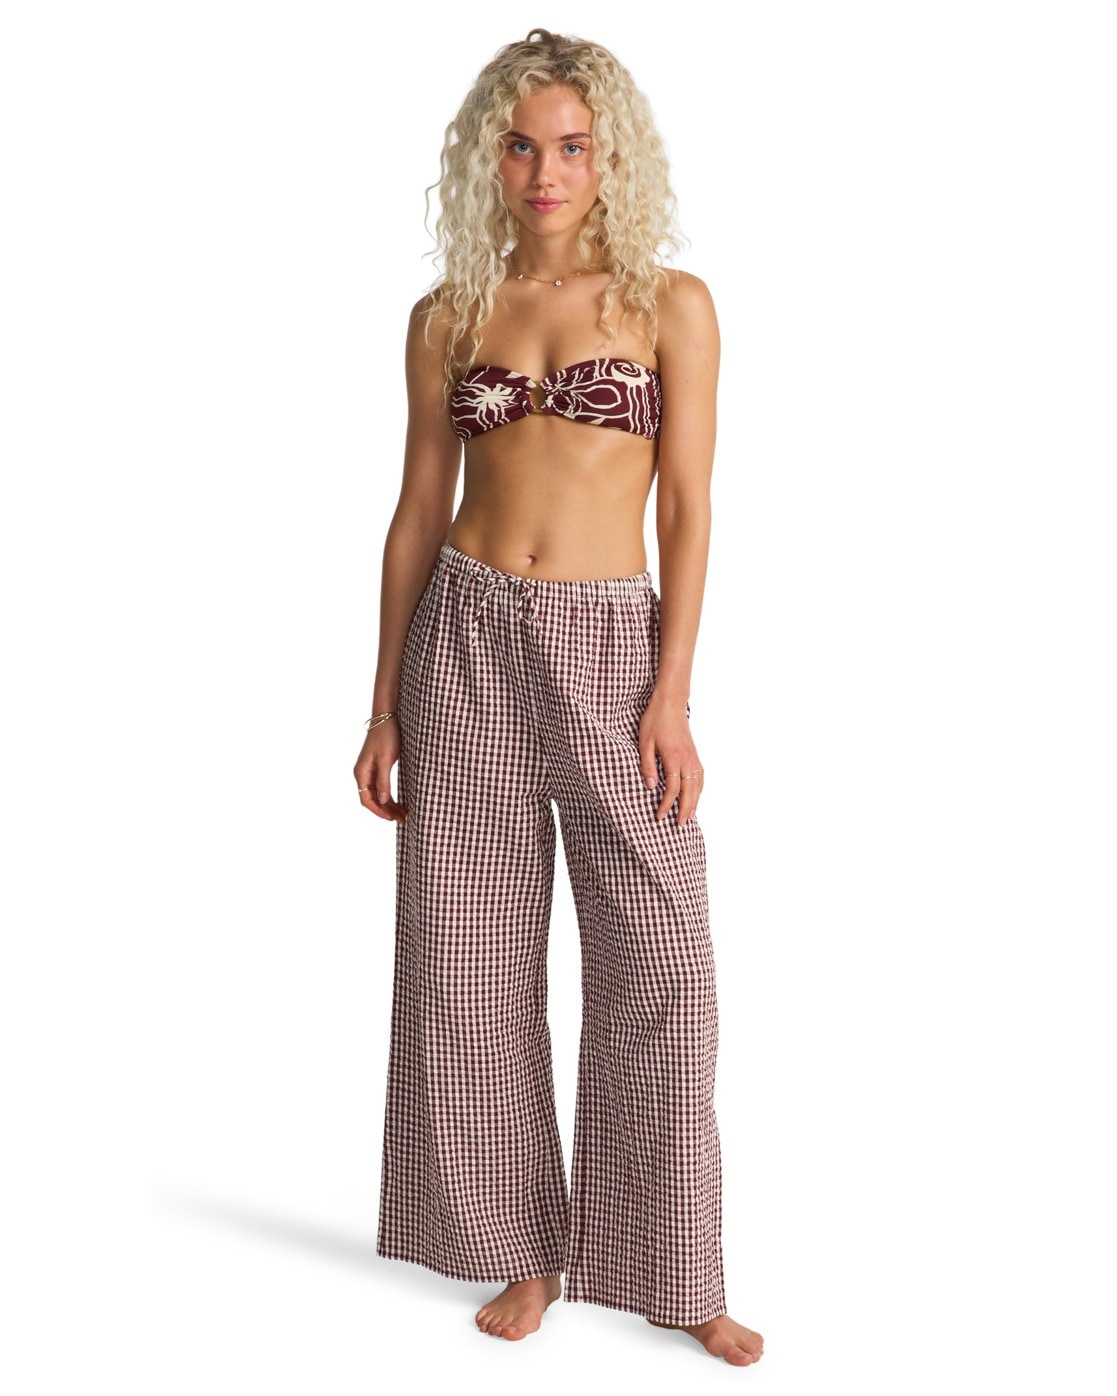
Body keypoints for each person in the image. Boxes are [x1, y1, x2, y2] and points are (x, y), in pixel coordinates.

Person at [353, 28, 764, 1368]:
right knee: (467, 964)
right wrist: (383, 703)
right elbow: (417, 512)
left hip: (609, 644)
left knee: (664, 963)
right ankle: (523, 1248)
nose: (547, 172)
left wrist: (671, 694)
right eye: (522, 147)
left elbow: (690, 508)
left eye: (573, 148)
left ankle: (673, 1270)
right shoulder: (448, 315)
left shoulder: (668, 305)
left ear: (610, 159)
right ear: (490, 158)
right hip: (462, 637)